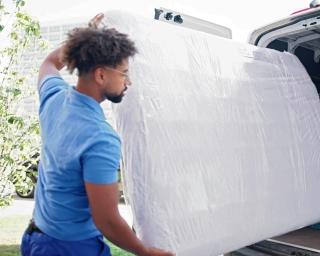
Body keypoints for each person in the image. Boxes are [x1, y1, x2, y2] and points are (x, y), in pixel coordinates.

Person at [21, 13, 175, 256]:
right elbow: (107, 220)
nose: (129, 82)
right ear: (101, 75)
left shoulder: (54, 97)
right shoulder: (100, 138)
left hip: (35, 239)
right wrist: (145, 251)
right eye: (124, 73)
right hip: (73, 249)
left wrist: (86, 42)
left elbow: (49, 63)